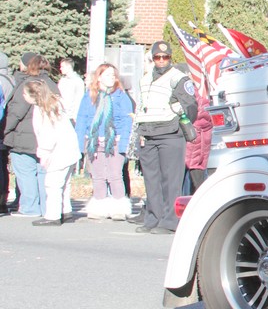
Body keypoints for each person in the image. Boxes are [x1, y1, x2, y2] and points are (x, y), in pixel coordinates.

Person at [132, 41, 197, 234]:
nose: (161, 60)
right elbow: (141, 106)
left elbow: (191, 106)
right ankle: (153, 218)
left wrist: (178, 115)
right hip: (148, 133)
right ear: (152, 59)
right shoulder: (144, 79)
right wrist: (140, 131)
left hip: (170, 134)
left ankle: (170, 222)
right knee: (151, 179)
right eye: (158, 57)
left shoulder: (178, 78)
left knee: (171, 180)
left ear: (170, 57)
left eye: (165, 57)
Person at [74, 63, 135, 221]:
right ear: (99, 77)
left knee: (115, 175)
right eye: (107, 75)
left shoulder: (121, 96)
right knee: (98, 176)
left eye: (113, 75)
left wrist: (123, 143)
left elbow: (126, 119)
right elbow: (82, 119)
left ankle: (119, 208)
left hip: (114, 141)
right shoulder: (89, 96)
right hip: (94, 141)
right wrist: (80, 143)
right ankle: (99, 207)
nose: (111, 78)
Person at [3, 53, 58, 217]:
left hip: (23, 137)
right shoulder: (51, 83)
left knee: (25, 172)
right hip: (45, 137)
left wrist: (3, 130)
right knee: (41, 173)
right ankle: (44, 206)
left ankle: (29, 207)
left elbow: (16, 113)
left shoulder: (28, 84)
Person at [22, 80, 80, 226]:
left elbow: (47, 135)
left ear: (34, 95)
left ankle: (53, 215)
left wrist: (43, 153)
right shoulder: (55, 103)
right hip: (70, 148)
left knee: (52, 184)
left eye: (25, 93)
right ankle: (66, 211)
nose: (24, 96)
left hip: (58, 151)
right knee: (65, 183)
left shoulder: (44, 109)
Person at [182, 91, 213, 194]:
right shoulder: (199, 94)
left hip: (194, 141)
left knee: (192, 185)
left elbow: (199, 117)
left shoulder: (190, 92)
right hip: (198, 142)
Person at [0, 51, 15, 214]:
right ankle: (4, 197)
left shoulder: (0, 81)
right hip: (8, 127)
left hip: (2, 125)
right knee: (3, 164)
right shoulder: (12, 78)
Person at [57, 58, 85, 124]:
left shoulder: (77, 81)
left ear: (69, 67)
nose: (61, 68)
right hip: (61, 114)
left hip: (71, 116)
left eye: (62, 66)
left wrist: (75, 115)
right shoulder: (62, 80)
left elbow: (79, 99)